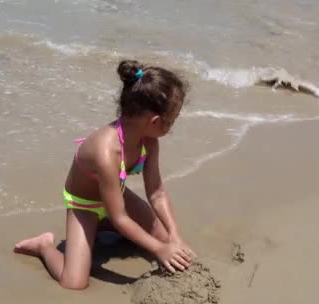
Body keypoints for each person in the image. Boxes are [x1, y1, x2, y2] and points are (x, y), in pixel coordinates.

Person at [14, 60, 196, 290]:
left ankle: (103, 225)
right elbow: (120, 218)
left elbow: (157, 192)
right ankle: (44, 246)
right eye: (172, 120)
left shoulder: (149, 141)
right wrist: (160, 250)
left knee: (166, 241)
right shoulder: (105, 151)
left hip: (115, 196)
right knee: (74, 283)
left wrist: (174, 236)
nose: (172, 126)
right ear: (155, 121)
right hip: (85, 205)